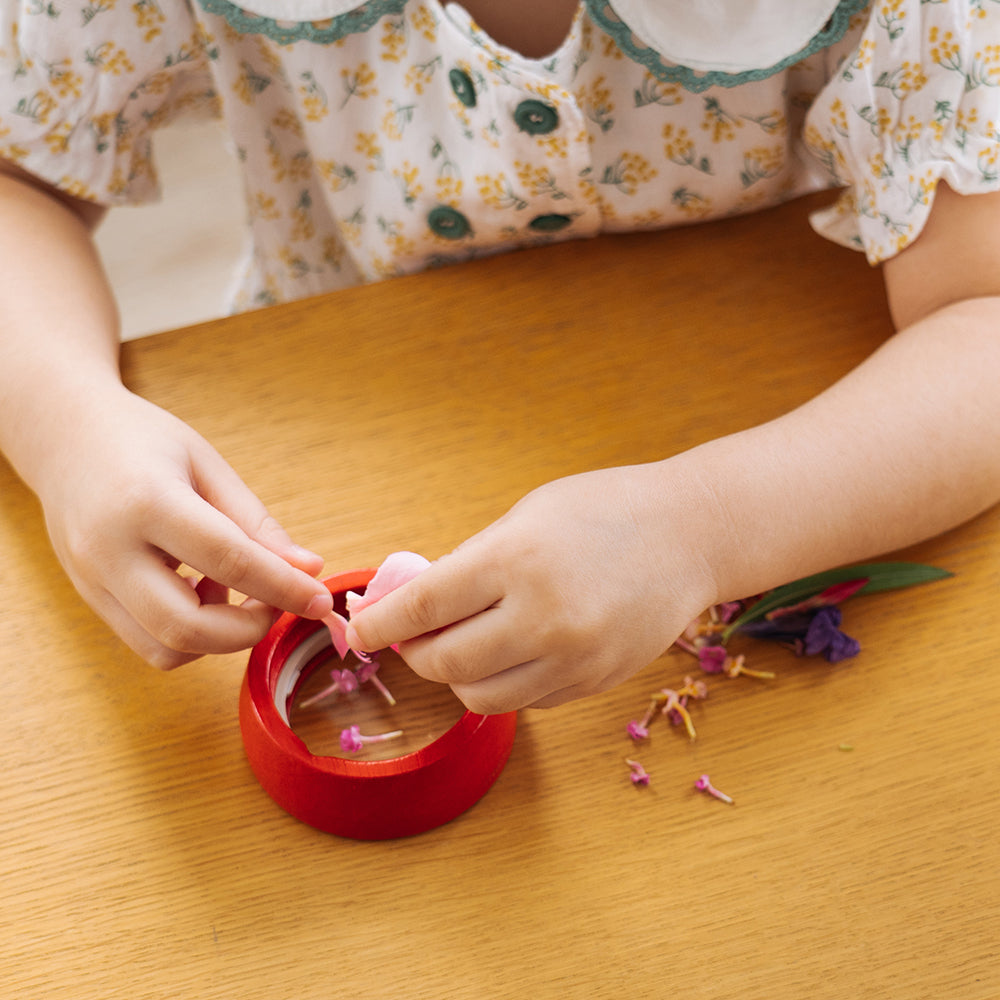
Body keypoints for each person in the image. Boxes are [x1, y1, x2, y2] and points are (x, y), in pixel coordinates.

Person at [1, 0, 998, 713]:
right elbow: (20, 179)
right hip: (337, 411)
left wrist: (700, 528)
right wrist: (67, 423)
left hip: (793, 446)